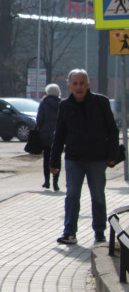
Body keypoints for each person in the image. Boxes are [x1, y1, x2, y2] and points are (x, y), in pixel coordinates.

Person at [50, 70, 119, 246]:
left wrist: (111, 156)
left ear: (88, 84)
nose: (79, 87)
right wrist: (54, 161)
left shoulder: (101, 102)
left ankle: (99, 233)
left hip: (97, 159)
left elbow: (112, 130)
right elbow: (59, 135)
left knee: (97, 195)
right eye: (75, 83)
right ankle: (69, 232)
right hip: (74, 159)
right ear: (69, 86)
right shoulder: (65, 106)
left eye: (82, 83)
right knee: (72, 195)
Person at [36, 84, 61, 191]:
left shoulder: (44, 103)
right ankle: (56, 183)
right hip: (58, 134)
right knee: (57, 158)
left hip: (45, 134)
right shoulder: (61, 104)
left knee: (46, 158)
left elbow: (39, 119)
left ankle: (47, 181)